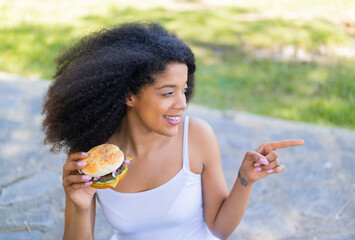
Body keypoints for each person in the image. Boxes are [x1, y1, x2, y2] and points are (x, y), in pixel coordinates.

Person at [42, 22, 304, 240]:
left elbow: (219, 229)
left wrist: (245, 178)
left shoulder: (197, 137)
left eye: (184, 90)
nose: (182, 104)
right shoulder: (91, 157)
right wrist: (79, 206)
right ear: (129, 95)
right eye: (168, 92)